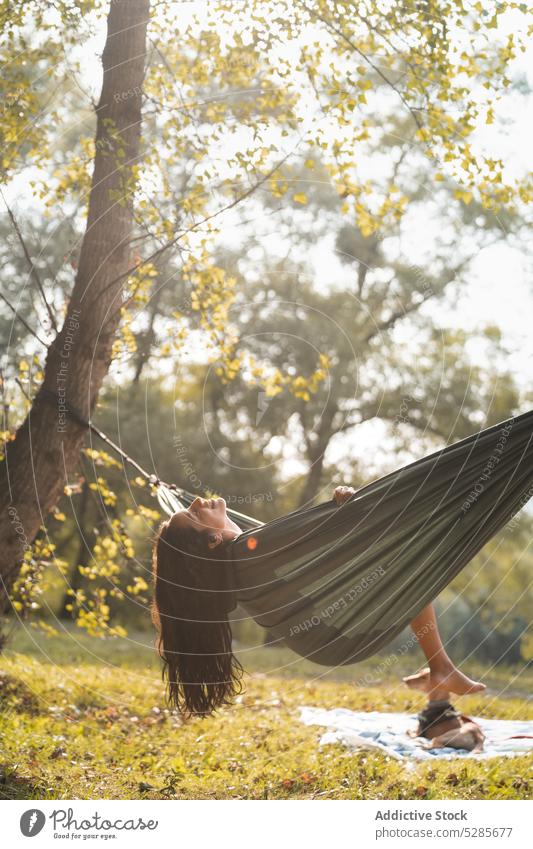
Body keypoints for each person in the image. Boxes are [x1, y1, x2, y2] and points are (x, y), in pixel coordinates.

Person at [151, 485, 486, 717]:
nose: (196, 500)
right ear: (211, 541)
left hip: (324, 634)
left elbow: (317, 553)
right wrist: (342, 509)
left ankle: (438, 679)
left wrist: (337, 509)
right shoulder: (248, 551)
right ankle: (440, 669)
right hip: (334, 628)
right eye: (193, 513)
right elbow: (323, 539)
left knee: (403, 566)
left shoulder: (237, 558)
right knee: (406, 558)